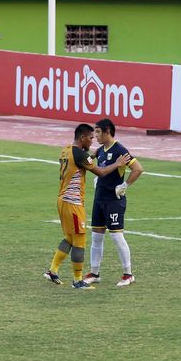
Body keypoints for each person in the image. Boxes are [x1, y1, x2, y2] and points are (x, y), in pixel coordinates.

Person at [44, 124, 129, 289]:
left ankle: (52, 271)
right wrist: (117, 164)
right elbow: (101, 172)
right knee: (80, 240)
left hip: (62, 200)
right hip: (73, 202)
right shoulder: (80, 154)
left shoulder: (66, 150)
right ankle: (77, 280)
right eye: (90, 138)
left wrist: (92, 155)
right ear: (82, 138)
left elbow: (83, 160)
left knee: (70, 237)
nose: (93, 141)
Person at [84, 118, 144, 287]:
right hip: (99, 199)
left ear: (107, 131)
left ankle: (128, 274)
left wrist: (124, 185)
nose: (95, 136)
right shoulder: (101, 149)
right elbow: (92, 159)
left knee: (117, 236)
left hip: (113, 201)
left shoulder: (120, 150)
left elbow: (138, 168)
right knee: (96, 237)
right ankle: (94, 272)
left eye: (97, 132)